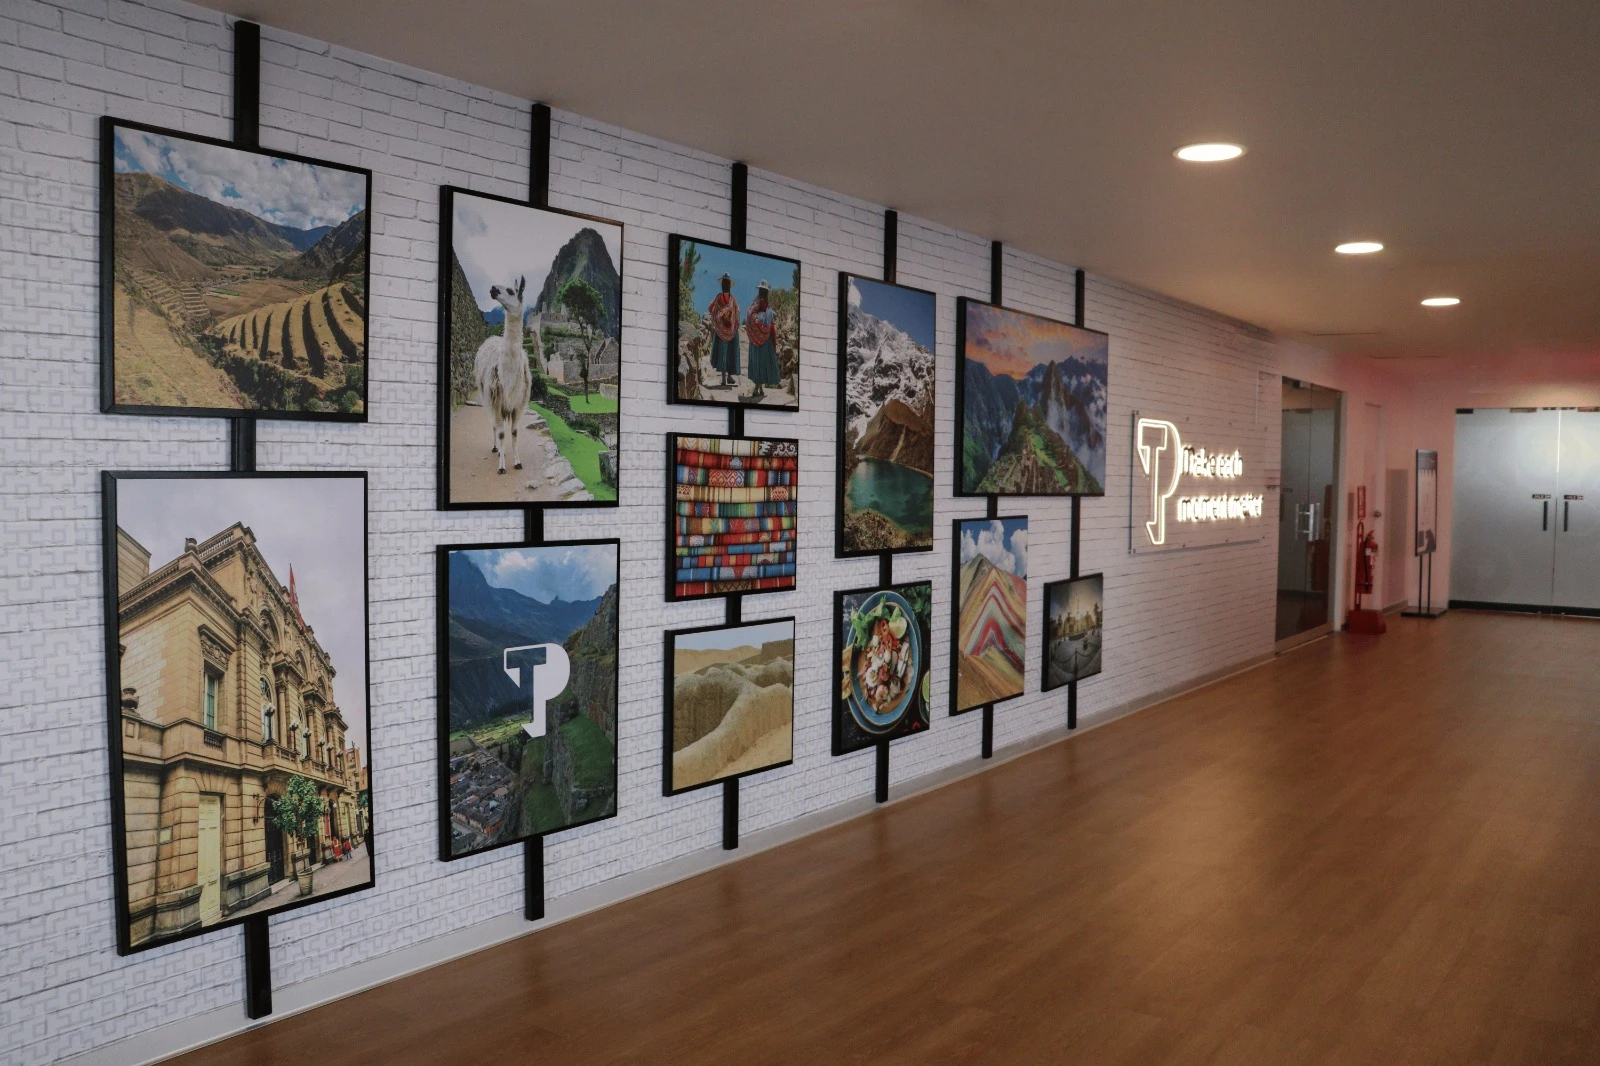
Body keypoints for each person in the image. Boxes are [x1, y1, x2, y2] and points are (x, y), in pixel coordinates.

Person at [745, 280, 780, 400]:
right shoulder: (757, 305)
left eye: (763, 290)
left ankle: (758, 388)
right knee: (759, 363)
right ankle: (758, 388)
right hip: (759, 340)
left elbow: (770, 323)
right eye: (761, 290)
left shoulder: (765, 307)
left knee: (761, 363)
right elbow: (751, 315)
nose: (762, 292)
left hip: (763, 340)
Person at [706, 272, 740, 387]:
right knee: (729, 352)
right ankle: (727, 377)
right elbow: (737, 312)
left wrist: (720, 313)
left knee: (725, 352)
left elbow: (710, 308)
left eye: (725, 283)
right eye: (726, 283)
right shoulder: (731, 299)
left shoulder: (720, 297)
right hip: (728, 330)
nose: (725, 285)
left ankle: (726, 378)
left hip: (723, 329)